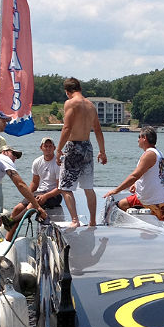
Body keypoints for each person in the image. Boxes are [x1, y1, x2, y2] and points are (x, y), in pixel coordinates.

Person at [56, 77, 107, 228]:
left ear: (67, 92)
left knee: (65, 187)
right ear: (80, 89)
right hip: (87, 147)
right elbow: (97, 130)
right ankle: (92, 221)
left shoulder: (70, 103)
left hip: (74, 146)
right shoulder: (91, 105)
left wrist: (58, 149)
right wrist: (102, 151)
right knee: (88, 187)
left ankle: (75, 220)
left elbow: (67, 128)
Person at [103, 126, 164, 221]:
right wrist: (136, 184)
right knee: (122, 204)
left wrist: (116, 191)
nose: (138, 140)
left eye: (139, 137)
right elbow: (150, 173)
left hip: (155, 201)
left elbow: (134, 176)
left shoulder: (149, 154)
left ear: (144, 138)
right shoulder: (157, 153)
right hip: (146, 197)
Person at [4, 137, 62, 241]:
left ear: (54, 148)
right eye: (45, 146)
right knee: (17, 208)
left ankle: (13, 220)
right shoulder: (37, 162)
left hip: (54, 194)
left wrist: (46, 196)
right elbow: (35, 183)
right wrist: (27, 195)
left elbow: (59, 188)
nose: (48, 148)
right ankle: (8, 240)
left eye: (50, 146)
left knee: (33, 203)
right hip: (39, 192)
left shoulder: (57, 164)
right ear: (41, 148)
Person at [0, 145, 47, 232]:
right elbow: (20, 184)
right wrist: (38, 208)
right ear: (4, 152)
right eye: (13, 154)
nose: (15, 158)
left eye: (16, 156)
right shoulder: (4, 158)